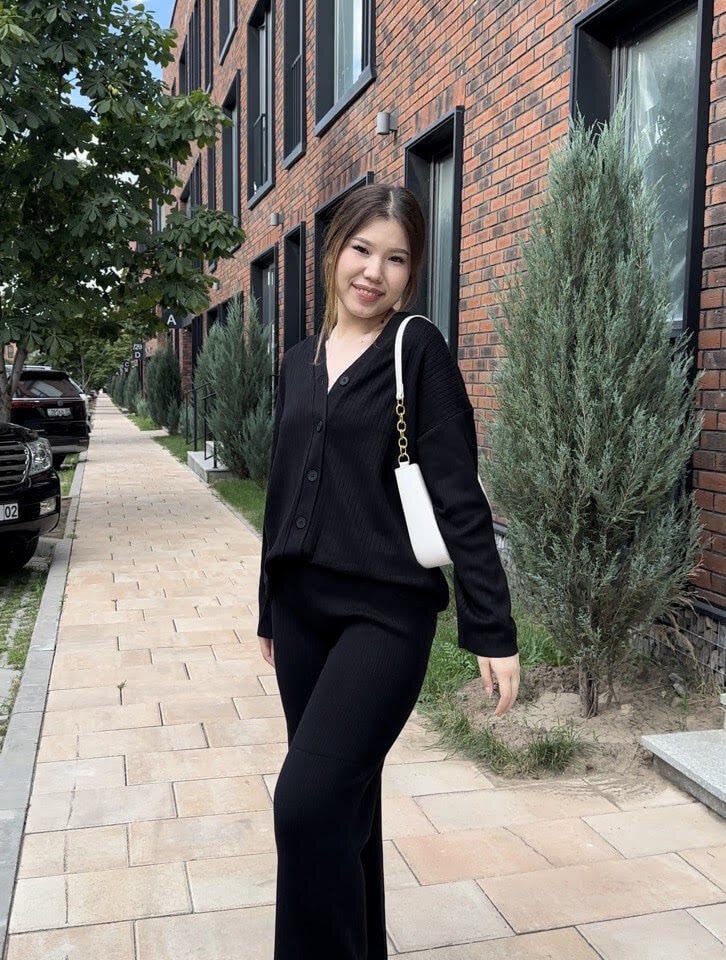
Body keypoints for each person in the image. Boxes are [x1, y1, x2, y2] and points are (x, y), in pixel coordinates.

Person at [257, 183, 520, 960]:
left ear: (412, 272)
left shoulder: (417, 349)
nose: (374, 272)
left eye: (396, 258)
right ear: (334, 251)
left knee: (305, 807)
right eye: (362, 250)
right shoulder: (298, 361)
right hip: (302, 614)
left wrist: (491, 626)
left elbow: (459, 496)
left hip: (385, 617)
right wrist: (269, 606)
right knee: (342, 807)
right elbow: (281, 488)